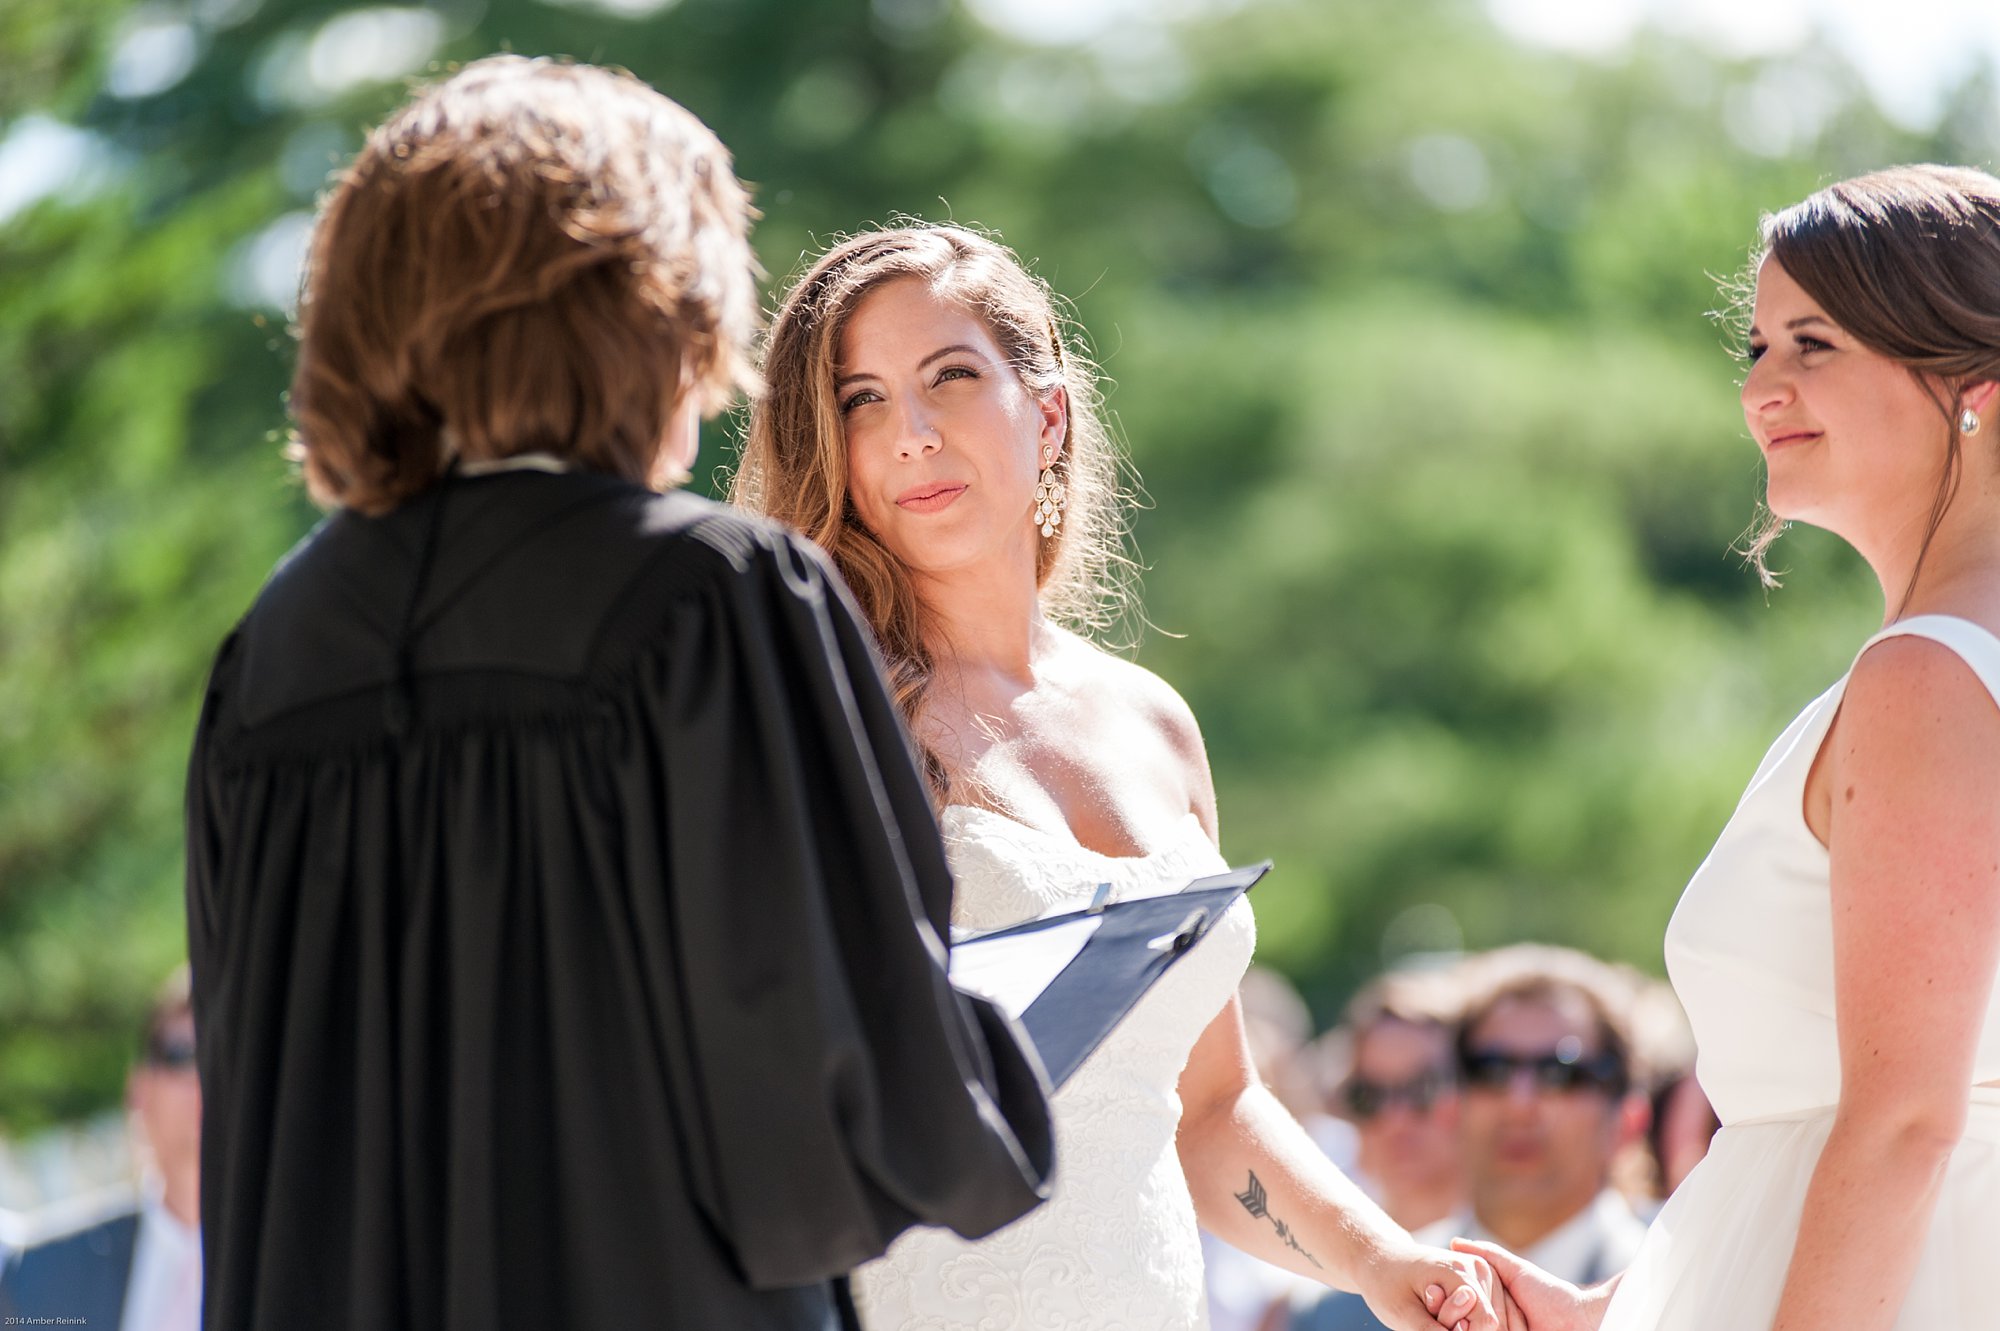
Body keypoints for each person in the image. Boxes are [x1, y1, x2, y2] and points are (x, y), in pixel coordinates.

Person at [183, 58, 1056, 1331]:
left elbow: (252, 1119)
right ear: (648, 306)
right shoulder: (705, 597)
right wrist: (987, 1073)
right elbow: (834, 1136)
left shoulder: (269, 652)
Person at [732, 223, 1502, 1331]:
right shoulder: (812, 703)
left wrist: (1386, 1261)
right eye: (860, 399)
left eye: (950, 376)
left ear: (1045, 414)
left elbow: (1210, 1107)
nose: (909, 433)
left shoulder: (1153, 722)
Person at [1462, 165, 2000, 1331]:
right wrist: (1614, 1308)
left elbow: (1906, 1125)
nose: (1763, 389)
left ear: (1970, 383)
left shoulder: (1927, 677)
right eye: (1755, 348)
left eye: (1813, 343)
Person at [1292, 948, 1648, 1331]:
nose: (1519, 1103)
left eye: (1560, 1074)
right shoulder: (1342, 1312)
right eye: (1490, 1070)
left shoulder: (1680, 1290)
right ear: (1449, 1105)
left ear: (1627, 1121)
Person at [0, 970, 202, 1329]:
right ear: (140, 1089)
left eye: (229, 1059)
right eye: (183, 1055)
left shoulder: (310, 1268)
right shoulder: (42, 1272)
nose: (205, 1081)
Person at [1332, 968, 1470, 1233]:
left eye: (1424, 1088)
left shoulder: (1527, 1256)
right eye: (1368, 1095)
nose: (1395, 1117)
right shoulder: (1323, 1258)